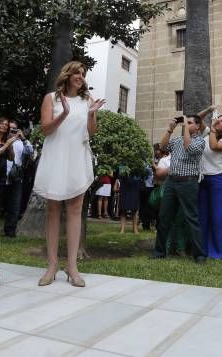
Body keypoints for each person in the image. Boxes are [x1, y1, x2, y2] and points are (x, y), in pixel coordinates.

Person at [35, 61, 106, 287]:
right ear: (67, 74)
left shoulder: (87, 100)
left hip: (78, 156)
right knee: (53, 210)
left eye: (83, 74)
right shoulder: (51, 99)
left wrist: (92, 114)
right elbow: (46, 129)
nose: (81, 76)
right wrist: (63, 114)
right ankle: (52, 265)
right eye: (77, 72)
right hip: (56, 156)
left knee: (75, 210)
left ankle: (72, 266)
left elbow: (91, 132)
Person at [150, 115, 207, 263]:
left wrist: (185, 128)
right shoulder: (177, 140)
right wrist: (170, 130)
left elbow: (189, 147)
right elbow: (162, 147)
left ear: (198, 126)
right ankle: (159, 252)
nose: (186, 125)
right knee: (164, 217)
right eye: (186, 123)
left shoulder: (199, 141)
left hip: (188, 182)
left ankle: (199, 255)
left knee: (191, 218)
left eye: (190, 123)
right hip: (171, 182)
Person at [198, 114, 222, 259]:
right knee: (203, 216)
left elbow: (214, 147)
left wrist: (212, 129)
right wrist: (209, 110)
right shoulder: (207, 134)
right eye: (218, 118)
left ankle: (220, 251)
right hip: (203, 180)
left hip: (219, 179)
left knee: (219, 216)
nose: (219, 121)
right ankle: (204, 248)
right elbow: (197, 118)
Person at [118, 168, 143, 234]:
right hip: (125, 183)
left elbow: (142, 172)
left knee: (135, 208)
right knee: (123, 207)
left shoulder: (140, 161)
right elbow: (121, 173)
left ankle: (135, 229)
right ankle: (122, 229)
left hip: (135, 182)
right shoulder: (123, 160)